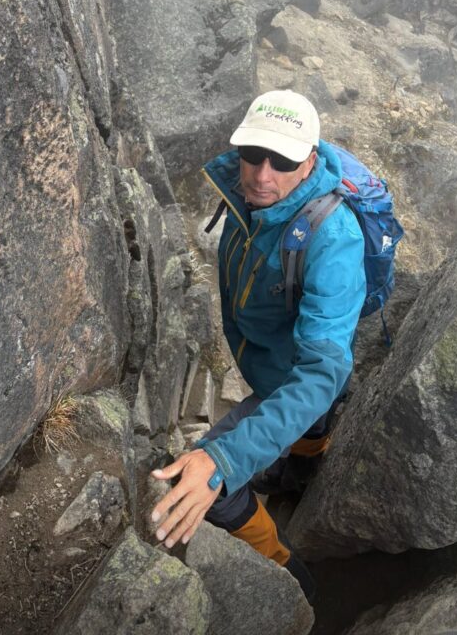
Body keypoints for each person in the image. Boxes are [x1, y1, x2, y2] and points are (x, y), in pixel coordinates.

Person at [150, 89, 366, 596]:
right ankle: (301, 469)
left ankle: (289, 575)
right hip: (272, 361)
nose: (262, 174)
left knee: (206, 482)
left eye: (284, 160)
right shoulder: (245, 192)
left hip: (297, 374)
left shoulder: (335, 240)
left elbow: (318, 374)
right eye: (253, 154)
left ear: (310, 161)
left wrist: (222, 462)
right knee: (312, 417)